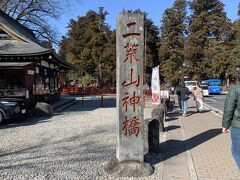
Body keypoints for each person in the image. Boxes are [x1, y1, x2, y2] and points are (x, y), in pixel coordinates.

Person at [222, 82, 240, 170]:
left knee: (237, 152)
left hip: (238, 126)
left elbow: (229, 108)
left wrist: (226, 125)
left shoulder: (236, 88)